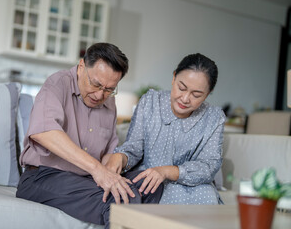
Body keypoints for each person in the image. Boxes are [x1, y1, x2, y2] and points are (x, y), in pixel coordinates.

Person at [16, 43, 163, 228]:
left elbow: (108, 152)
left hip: (84, 180)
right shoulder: (57, 83)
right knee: (121, 200)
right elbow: (43, 132)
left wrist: (111, 171)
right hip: (43, 176)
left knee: (146, 186)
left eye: (109, 89)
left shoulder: (109, 102)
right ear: (81, 67)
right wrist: (98, 170)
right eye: (96, 84)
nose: (100, 94)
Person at [106, 53, 225, 204]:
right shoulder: (150, 101)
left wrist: (167, 171)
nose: (185, 98)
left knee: (206, 198)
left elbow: (208, 166)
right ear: (174, 77)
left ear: (208, 94)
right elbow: (134, 146)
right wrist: (121, 156)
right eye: (182, 88)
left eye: (196, 94)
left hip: (194, 186)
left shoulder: (214, 118)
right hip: (150, 183)